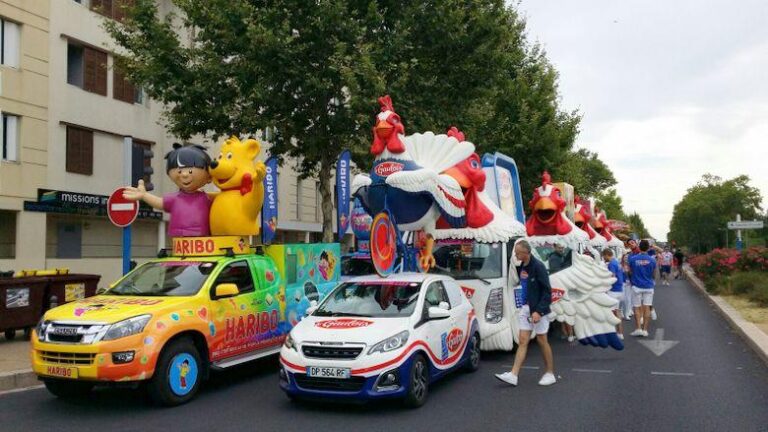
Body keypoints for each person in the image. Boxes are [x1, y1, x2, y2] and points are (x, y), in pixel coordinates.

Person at [495, 240, 556, 387]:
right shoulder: (522, 265)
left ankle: (550, 373)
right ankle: (513, 375)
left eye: (517, 252)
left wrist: (539, 311)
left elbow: (547, 292)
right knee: (523, 341)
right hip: (526, 308)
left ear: (526, 252)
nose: (515, 254)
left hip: (538, 310)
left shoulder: (539, 267)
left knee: (542, 341)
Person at [123, 143, 213, 237]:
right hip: (180, 240)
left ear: (209, 177)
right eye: (179, 171)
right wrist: (144, 195)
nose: (184, 175)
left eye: (190, 171)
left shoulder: (206, 198)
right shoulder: (175, 199)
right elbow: (160, 202)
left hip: (203, 240)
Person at [629, 240, 657, 337]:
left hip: (636, 286)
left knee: (636, 307)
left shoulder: (632, 259)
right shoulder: (653, 260)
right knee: (647, 307)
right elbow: (654, 274)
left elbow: (630, 271)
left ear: (639, 247)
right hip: (648, 286)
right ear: (648, 248)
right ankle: (645, 330)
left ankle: (638, 329)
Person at [602, 248, 624, 339]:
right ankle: (620, 333)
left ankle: (612, 333)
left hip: (613, 290)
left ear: (607, 254)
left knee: (611, 312)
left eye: (604, 256)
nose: (603, 258)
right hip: (620, 290)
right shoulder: (616, 262)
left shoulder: (611, 264)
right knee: (617, 312)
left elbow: (612, 277)